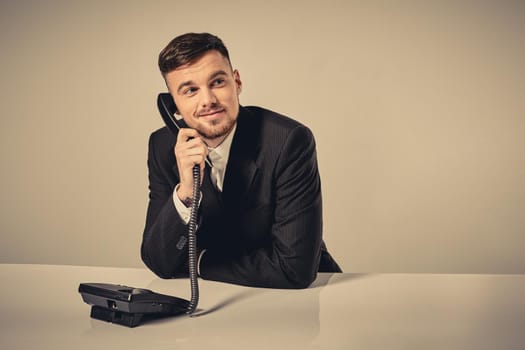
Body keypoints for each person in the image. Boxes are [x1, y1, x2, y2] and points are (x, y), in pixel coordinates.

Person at [141, 32, 341, 289]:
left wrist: (199, 262)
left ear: (236, 82)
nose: (208, 100)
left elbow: (294, 269)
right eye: (190, 90)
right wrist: (186, 193)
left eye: (217, 82)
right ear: (173, 106)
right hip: (221, 300)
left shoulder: (288, 141)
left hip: (306, 299)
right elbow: (159, 262)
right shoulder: (163, 147)